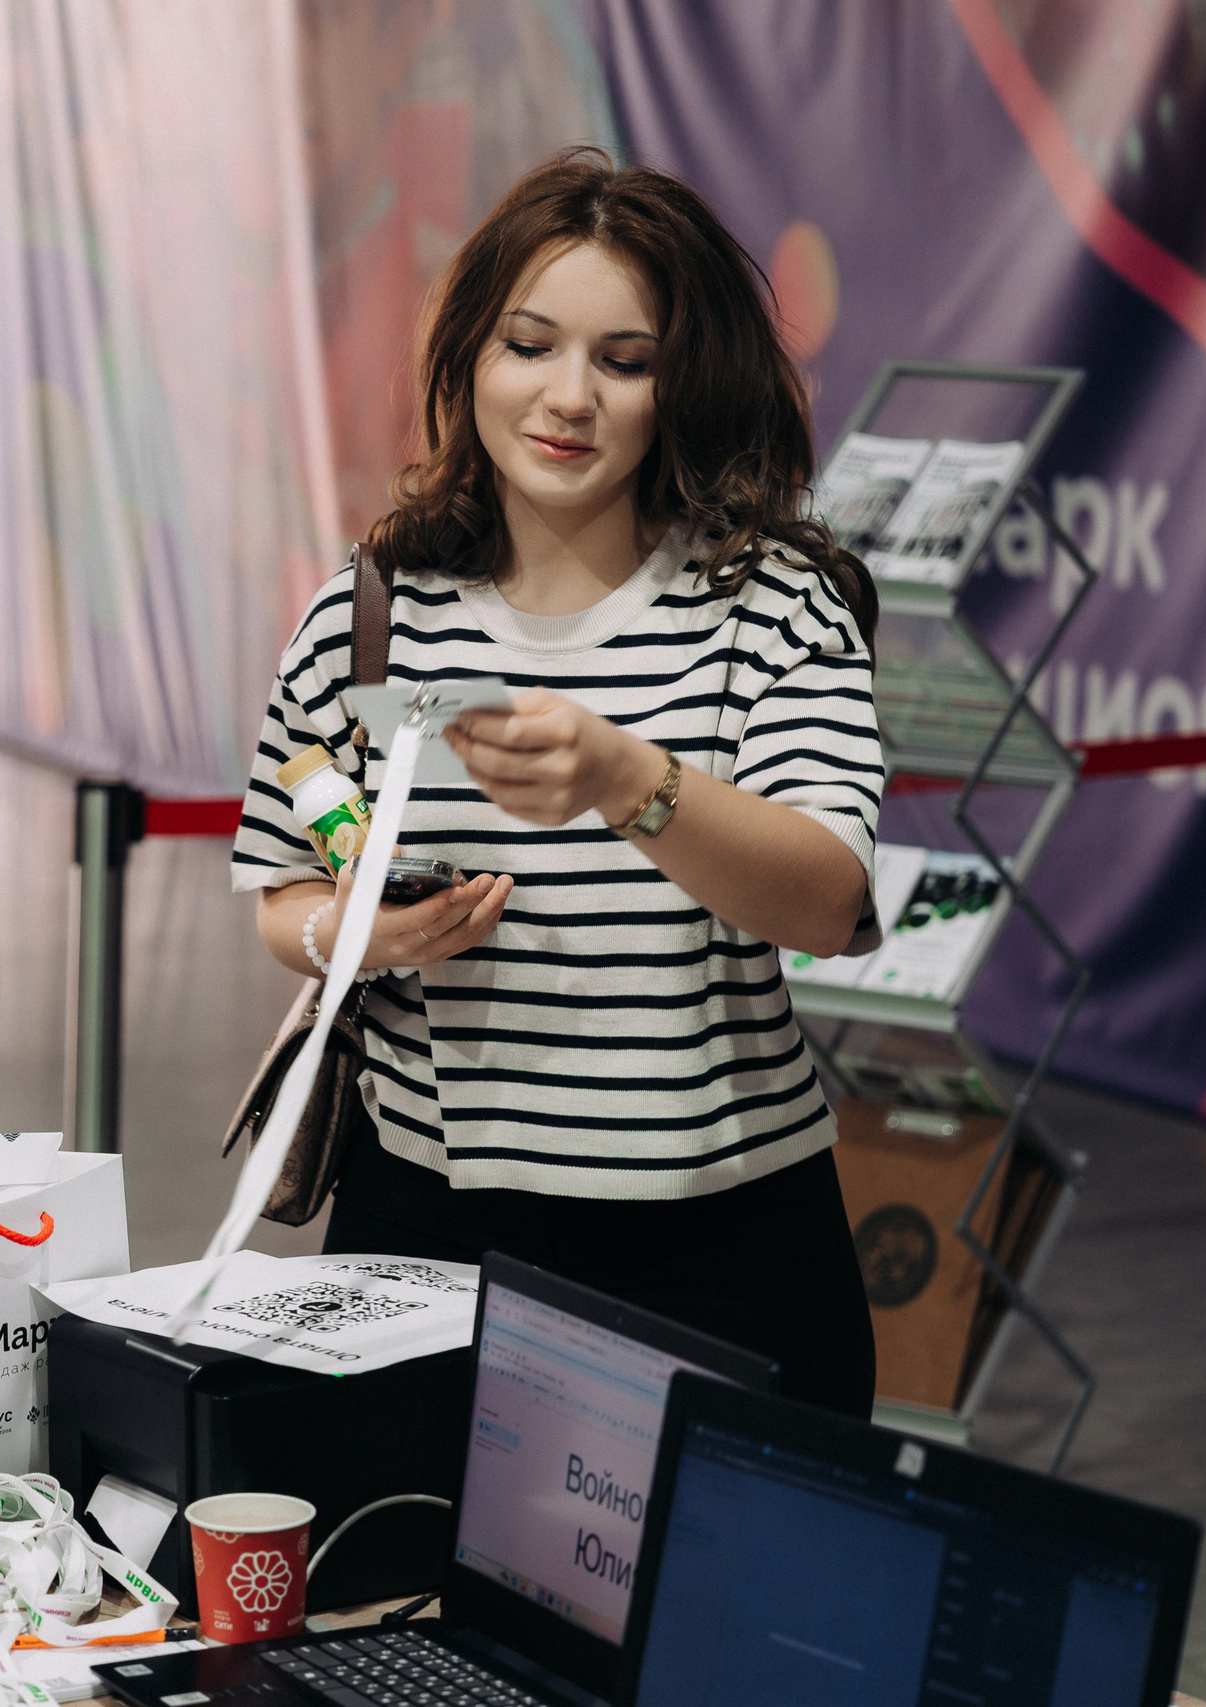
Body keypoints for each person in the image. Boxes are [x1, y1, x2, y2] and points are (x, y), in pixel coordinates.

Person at [232, 148, 883, 1417]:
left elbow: (823, 905)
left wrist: (628, 778)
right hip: (429, 1229)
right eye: (528, 345)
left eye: (622, 361)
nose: (565, 396)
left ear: (680, 383)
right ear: (470, 355)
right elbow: (282, 897)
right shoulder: (368, 611)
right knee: (416, 1608)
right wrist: (362, 933)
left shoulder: (772, 605)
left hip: (723, 1246)